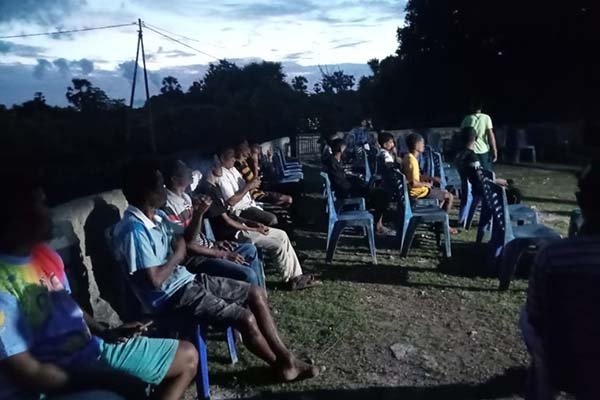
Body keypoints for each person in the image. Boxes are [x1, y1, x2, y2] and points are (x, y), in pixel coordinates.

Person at [109, 159, 320, 382]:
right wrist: (178, 255)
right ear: (145, 192)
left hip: (187, 281)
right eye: (159, 186)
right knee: (245, 317)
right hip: (171, 297)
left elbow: (187, 240)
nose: (163, 189)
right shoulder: (134, 231)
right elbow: (154, 280)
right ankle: (283, 365)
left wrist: (198, 214)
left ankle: (287, 360)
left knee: (255, 293)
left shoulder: (157, 218)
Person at [0, 168, 198, 400]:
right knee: (118, 391)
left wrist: (105, 331)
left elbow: (67, 303)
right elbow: (28, 372)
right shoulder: (4, 281)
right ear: (16, 215)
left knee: (187, 356)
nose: (48, 212)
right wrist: (104, 378)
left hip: (91, 350)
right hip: (51, 380)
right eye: (40, 204)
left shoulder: (44, 255)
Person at [520, 160, 600, 398]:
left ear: (580, 201)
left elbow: (535, 316)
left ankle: (541, 384)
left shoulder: (553, 255)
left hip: (565, 366)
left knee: (527, 318)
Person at [196, 157, 320, 290]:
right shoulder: (208, 191)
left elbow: (231, 216)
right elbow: (227, 220)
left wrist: (253, 223)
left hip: (240, 227)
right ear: (211, 168)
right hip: (233, 234)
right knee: (277, 244)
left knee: (282, 234)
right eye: (219, 165)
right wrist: (253, 229)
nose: (222, 167)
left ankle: (296, 276)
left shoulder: (215, 188)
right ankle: (290, 279)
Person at [162, 159, 265, 288]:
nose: (190, 171)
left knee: (250, 249)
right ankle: (254, 297)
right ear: (174, 179)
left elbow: (196, 233)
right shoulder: (168, 206)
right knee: (248, 274)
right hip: (196, 258)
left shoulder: (186, 198)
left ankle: (260, 295)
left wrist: (215, 244)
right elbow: (187, 244)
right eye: (185, 170)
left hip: (208, 248)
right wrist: (222, 254)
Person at [323, 139, 391, 235]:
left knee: (378, 193)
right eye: (345, 148)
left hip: (348, 190)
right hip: (347, 194)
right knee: (382, 196)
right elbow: (341, 184)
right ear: (340, 150)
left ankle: (376, 224)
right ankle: (378, 225)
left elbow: (341, 179)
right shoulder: (332, 163)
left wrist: (354, 179)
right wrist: (359, 186)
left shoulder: (335, 161)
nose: (347, 150)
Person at [403, 133, 458, 233]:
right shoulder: (412, 161)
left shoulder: (408, 157)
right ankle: (444, 225)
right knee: (449, 196)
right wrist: (426, 184)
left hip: (416, 191)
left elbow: (416, 176)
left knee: (443, 193)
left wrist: (431, 178)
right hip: (417, 193)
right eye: (422, 143)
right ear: (416, 145)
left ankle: (438, 221)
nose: (424, 145)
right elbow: (413, 183)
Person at [216, 147, 278, 227]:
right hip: (240, 209)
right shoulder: (221, 175)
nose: (234, 159)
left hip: (250, 203)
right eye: (231, 156)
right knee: (272, 218)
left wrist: (253, 183)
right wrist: (249, 186)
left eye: (234, 156)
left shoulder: (233, 169)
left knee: (279, 210)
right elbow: (231, 201)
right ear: (222, 158)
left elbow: (245, 187)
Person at [234, 142, 293, 208]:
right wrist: (255, 164)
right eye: (255, 154)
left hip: (260, 190)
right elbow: (253, 182)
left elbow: (269, 172)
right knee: (288, 199)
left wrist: (268, 159)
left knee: (288, 199)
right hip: (255, 194)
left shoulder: (246, 163)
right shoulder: (239, 165)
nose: (249, 153)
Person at [460, 100, 498, 171]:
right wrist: (494, 149)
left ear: (471, 107)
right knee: (486, 172)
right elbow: (490, 134)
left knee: (472, 172)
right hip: (483, 150)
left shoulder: (467, 118)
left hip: (470, 150)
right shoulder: (486, 118)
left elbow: (462, 134)